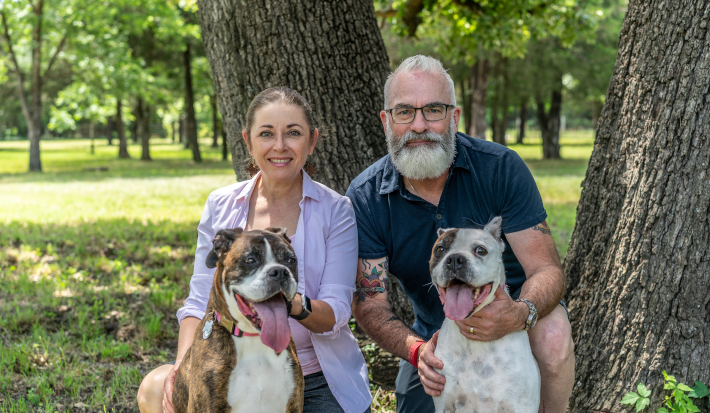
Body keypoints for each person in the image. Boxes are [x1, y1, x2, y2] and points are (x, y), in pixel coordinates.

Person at [345, 55, 575, 413]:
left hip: (514, 308)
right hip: (435, 330)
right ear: (387, 121)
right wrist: (416, 350)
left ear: (454, 117)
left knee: (553, 335)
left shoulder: (500, 168)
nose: (419, 125)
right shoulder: (366, 196)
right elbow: (369, 302)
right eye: (404, 112)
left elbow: (546, 270)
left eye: (433, 110)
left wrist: (520, 313)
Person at [137, 87, 372, 413]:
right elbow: (198, 298)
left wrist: (287, 301)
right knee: (156, 385)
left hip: (315, 374)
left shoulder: (336, 210)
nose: (280, 146)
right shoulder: (221, 204)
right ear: (248, 141)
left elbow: (335, 313)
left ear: (312, 140)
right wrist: (183, 367)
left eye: (293, 133)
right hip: (228, 356)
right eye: (266, 134)